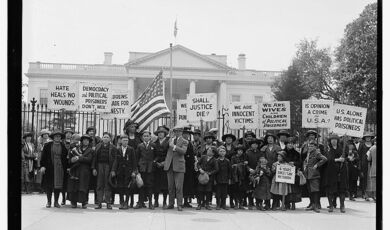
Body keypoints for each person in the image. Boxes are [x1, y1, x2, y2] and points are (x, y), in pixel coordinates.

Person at [40, 129, 68, 208]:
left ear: (60, 138)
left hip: (60, 168)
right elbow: (43, 157)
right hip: (50, 168)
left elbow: (65, 158)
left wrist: (66, 168)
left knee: (58, 186)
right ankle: (49, 202)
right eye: (56, 136)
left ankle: (56, 202)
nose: (57, 138)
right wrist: (42, 166)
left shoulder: (63, 146)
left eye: (59, 136)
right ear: (53, 137)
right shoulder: (47, 145)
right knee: (49, 185)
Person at [163, 126, 188, 211]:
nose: (177, 133)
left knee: (179, 187)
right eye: (175, 131)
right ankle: (171, 203)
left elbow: (183, 151)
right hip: (169, 165)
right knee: (170, 187)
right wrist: (169, 138)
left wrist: (174, 146)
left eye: (178, 131)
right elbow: (164, 147)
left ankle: (179, 204)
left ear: (181, 132)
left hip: (179, 166)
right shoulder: (170, 140)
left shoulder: (185, 141)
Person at [67, 134, 94, 209]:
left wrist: (79, 158)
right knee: (74, 186)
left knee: (84, 186)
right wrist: (72, 160)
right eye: (84, 140)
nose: (85, 141)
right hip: (75, 170)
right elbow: (70, 160)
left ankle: (84, 202)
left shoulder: (91, 150)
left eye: (87, 140)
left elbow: (89, 160)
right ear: (82, 141)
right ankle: (73, 201)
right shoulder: (76, 149)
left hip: (85, 171)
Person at [92, 132, 117, 209]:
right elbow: (94, 158)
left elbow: (115, 159)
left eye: (107, 137)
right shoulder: (98, 146)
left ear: (110, 139)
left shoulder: (113, 147)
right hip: (99, 166)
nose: (105, 138)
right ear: (102, 138)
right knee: (99, 184)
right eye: (104, 137)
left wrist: (113, 170)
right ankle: (99, 202)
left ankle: (108, 202)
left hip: (108, 167)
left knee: (107, 184)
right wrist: (94, 168)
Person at [303, 140, 327, 213]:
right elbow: (305, 161)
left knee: (315, 190)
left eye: (312, 146)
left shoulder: (316, 153)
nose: (310, 147)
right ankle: (312, 204)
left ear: (315, 147)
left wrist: (317, 165)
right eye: (309, 146)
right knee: (310, 190)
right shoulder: (308, 153)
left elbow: (324, 159)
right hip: (308, 174)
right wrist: (304, 166)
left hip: (314, 174)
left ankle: (316, 205)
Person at [115, 134, 138, 209]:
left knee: (127, 187)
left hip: (128, 171)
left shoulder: (131, 149)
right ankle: (121, 202)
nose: (125, 142)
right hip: (120, 171)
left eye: (127, 140)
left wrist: (134, 171)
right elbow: (116, 161)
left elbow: (134, 161)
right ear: (121, 141)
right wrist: (114, 170)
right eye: (124, 140)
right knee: (120, 187)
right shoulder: (118, 149)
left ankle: (126, 202)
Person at [135, 130, 155, 209]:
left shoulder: (153, 145)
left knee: (150, 185)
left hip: (150, 168)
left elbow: (156, 155)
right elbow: (137, 157)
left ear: (150, 137)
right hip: (142, 168)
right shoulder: (140, 146)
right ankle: (140, 202)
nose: (146, 137)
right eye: (144, 136)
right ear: (142, 137)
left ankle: (150, 203)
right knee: (141, 185)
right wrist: (137, 167)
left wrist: (154, 161)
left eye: (147, 136)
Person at [260, 133, 281, 209]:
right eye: (268, 138)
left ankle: (275, 203)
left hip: (276, 169)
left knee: (275, 186)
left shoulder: (278, 148)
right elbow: (262, 158)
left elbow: (281, 157)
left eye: (271, 138)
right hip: (266, 169)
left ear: (274, 139)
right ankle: (267, 203)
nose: (270, 139)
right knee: (267, 186)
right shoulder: (264, 148)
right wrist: (265, 166)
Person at [196, 146, 219, 210]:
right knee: (200, 190)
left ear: (213, 153)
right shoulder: (203, 157)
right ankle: (199, 204)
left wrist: (209, 173)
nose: (208, 151)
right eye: (208, 150)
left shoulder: (214, 160)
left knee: (208, 191)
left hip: (209, 178)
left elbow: (216, 169)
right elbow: (198, 164)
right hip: (201, 176)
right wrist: (200, 169)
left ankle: (207, 204)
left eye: (210, 150)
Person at [152, 126, 170, 208]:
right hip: (156, 166)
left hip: (165, 166)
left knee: (165, 185)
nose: (160, 134)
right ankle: (156, 201)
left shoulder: (169, 142)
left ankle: (164, 202)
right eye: (159, 133)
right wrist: (156, 163)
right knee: (156, 184)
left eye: (162, 133)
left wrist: (164, 163)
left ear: (165, 134)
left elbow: (169, 155)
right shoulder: (154, 143)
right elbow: (153, 155)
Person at [245, 139, 264, 210]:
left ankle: (259, 203)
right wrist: (249, 169)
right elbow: (245, 163)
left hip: (258, 172)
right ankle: (250, 203)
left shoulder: (260, 153)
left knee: (259, 189)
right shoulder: (247, 153)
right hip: (250, 172)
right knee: (250, 189)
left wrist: (260, 170)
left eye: (256, 144)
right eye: (253, 144)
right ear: (251, 145)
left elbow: (262, 162)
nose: (255, 145)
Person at [285, 137, 302, 210]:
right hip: (285, 173)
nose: (290, 145)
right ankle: (286, 203)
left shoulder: (297, 153)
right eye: (289, 143)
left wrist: (294, 163)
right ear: (286, 144)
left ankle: (293, 203)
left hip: (294, 173)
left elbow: (300, 163)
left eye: (292, 143)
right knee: (286, 188)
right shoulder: (282, 152)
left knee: (294, 189)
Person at [230, 145, 248, 209]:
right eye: (239, 150)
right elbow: (232, 166)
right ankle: (236, 203)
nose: (240, 152)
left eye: (241, 151)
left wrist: (238, 165)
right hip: (235, 176)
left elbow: (246, 165)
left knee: (242, 191)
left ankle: (241, 203)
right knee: (235, 190)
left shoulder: (244, 157)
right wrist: (241, 164)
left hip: (243, 176)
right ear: (237, 151)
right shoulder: (233, 157)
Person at [222, 133, 237, 208]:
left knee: (232, 187)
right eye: (227, 138)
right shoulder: (222, 147)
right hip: (223, 168)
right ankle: (222, 202)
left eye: (230, 138)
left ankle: (232, 202)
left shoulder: (235, 148)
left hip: (232, 168)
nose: (228, 140)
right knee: (223, 187)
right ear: (225, 140)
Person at [182, 126, 196, 208]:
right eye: (184, 133)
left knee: (188, 184)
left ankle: (186, 200)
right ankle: (183, 200)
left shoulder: (190, 143)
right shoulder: (180, 142)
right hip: (182, 165)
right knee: (182, 184)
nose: (186, 135)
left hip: (189, 166)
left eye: (187, 134)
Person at [358, 132, 374, 200]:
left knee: (371, 178)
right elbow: (359, 155)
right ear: (365, 138)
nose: (368, 138)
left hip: (372, 163)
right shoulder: (362, 145)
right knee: (363, 178)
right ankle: (364, 193)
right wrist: (360, 164)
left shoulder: (373, 145)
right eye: (367, 137)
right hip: (364, 163)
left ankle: (372, 194)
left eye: (369, 137)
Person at [215, 146, 231, 210]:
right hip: (218, 179)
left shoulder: (227, 161)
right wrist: (215, 180)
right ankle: (218, 204)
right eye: (220, 151)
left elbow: (230, 171)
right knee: (218, 193)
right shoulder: (216, 160)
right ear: (218, 152)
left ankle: (223, 204)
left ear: (225, 152)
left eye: (223, 151)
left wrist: (229, 179)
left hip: (225, 179)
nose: (222, 152)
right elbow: (215, 171)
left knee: (224, 193)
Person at [366, 137, 377, 201]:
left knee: (374, 183)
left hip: (374, 168)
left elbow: (368, 159)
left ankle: (375, 196)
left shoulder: (372, 148)